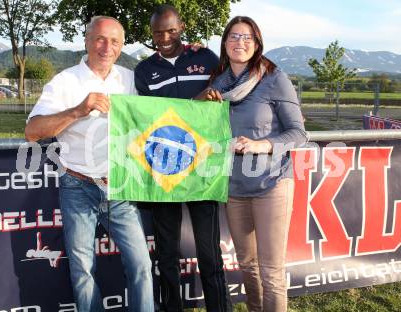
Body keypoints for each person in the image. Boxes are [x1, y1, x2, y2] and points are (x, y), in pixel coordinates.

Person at [25, 16, 153, 312]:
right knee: (83, 269)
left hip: (119, 187)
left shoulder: (130, 79)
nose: (106, 47)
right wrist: (78, 110)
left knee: (142, 265)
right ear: (86, 40)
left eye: (115, 41)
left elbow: (161, 111)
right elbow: (32, 132)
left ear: (122, 46)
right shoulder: (65, 81)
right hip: (77, 185)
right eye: (100, 39)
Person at [198, 16, 308, 312]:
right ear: (224, 43)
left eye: (247, 37)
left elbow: (299, 133)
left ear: (257, 44)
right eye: (233, 36)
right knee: (247, 265)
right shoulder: (217, 84)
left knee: (271, 272)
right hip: (233, 187)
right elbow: (197, 125)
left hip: (272, 184)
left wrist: (263, 145)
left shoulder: (274, 77)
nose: (240, 42)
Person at [134, 4, 232, 312]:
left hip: (201, 168)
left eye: (171, 30)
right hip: (164, 171)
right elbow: (147, 121)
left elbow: (226, 94)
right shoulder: (144, 70)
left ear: (183, 27)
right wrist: (194, 101)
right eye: (157, 32)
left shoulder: (205, 58)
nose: (164, 38)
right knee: (167, 254)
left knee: (209, 252)